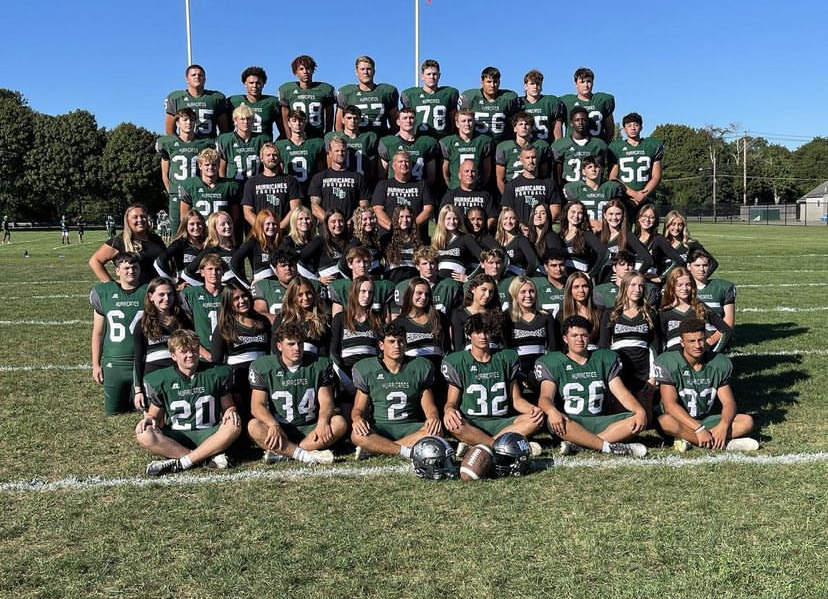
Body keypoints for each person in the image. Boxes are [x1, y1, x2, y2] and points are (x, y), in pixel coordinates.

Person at [536, 315, 648, 457]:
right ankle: (608, 447)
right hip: (572, 422)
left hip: (600, 421)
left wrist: (639, 410)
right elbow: (545, 397)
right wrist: (552, 411)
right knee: (553, 421)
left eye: (583, 335)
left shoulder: (602, 359)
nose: (579, 339)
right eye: (574, 335)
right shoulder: (554, 362)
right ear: (565, 339)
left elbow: (622, 394)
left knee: (635, 418)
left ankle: (581, 445)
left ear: (589, 337)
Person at [136, 329, 241, 476]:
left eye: (194, 350)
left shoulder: (216, 372)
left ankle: (182, 462)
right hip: (177, 436)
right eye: (184, 351)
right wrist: (149, 419)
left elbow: (228, 405)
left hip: (209, 433)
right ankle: (203, 457)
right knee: (143, 434)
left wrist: (231, 411)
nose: (190, 355)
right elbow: (155, 414)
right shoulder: (162, 379)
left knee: (234, 425)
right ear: (173, 355)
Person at [248, 323, 347, 464]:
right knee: (254, 426)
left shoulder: (319, 363)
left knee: (339, 423)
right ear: (279, 346)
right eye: (291, 344)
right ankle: (305, 455)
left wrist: (323, 422)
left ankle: (287, 453)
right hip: (280, 428)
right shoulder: (263, 366)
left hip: (311, 428)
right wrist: (273, 425)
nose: (297, 348)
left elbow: (326, 401)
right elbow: (257, 406)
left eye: (300, 343)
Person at [442, 313, 544, 448]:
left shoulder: (505, 358)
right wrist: (448, 410)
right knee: (452, 424)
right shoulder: (459, 362)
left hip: (502, 422)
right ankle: (503, 446)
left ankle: (480, 445)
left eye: (486, 332)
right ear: (468, 335)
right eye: (478, 332)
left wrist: (532, 409)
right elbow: (451, 402)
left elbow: (517, 400)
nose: (483, 337)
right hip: (472, 423)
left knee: (536, 419)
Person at [654, 319, 758, 452]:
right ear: (682, 343)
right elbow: (670, 405)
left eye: (700, 340)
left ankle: (692, 440)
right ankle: (724, 443)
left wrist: (724, 425)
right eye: (691, 341)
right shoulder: (669, 362)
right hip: (680, 421)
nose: (697, 345)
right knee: (664, 422)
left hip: (706, 419)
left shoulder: (718, 363)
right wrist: (699, 428)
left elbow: (728, 402)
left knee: (747, 421)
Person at [351, 323, 443, 459]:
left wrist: (433, 417)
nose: (396, 346)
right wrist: (357, 419)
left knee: (437, 431)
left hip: (410, 427)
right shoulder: (367, 368)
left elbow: (429, 406)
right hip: (381, 428)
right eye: (391, 341)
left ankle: (378, 449)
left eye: (400, 341)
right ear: (381, 345)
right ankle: (405, 451)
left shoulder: (419, 366)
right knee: (356, 435)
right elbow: (358, 408)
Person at [90, 252, 148, 414]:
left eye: (135, 267)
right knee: (113, 411)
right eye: (126, 268)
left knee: (146, 408)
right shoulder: (104, 293)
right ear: (117, 271)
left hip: (144, 360)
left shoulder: (149, 291)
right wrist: (95, 365)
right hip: (115, 362)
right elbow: (98, 332)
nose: (131, 271)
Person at [598, 272, 661, 416]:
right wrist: (608, 373)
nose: (637, 289)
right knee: (620, 415)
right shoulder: (611, 313)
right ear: (624, 286)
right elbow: (603, 345)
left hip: (643, 370)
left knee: (645, 416)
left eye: (641, 286)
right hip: (619, 369)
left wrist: (653, 377)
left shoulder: (650, 314)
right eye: (633, 285)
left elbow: (655, 346)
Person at [210, 282, 271, 421]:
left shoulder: (263, 322)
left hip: (262, 377)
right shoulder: (223, 327)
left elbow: (271, 354)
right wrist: (229, 390)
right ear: (228, 303)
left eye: (244, 296)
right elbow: (216, 364)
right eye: (236, 298)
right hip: (238, 381)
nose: (242, 301)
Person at [133, 277, 193, 407]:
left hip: (178, 373)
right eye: (161, 294)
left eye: (170, 294)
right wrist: (138, 391)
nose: (166, 298)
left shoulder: (183, 320)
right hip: (153, 375)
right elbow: (138, 358)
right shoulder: (142, 324)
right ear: (150, 296)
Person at [502, 276, 559, 401]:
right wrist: (519, 375)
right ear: (514, 294)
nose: (528, 295)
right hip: (516, 374)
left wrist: (539, 374)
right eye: (523, 292)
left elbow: (553, 350)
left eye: (531, 291)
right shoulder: (507, 318)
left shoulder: (546, 317)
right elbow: (506, 352)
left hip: (542, 373)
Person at [330, 274, 383, 394]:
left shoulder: (377, 319)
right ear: (354, 292)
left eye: (370, 292)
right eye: (363, 291)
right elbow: (333, 352)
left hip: (371, 376)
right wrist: (346, 381)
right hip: (346, 376)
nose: (367, 296)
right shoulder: (340, 318)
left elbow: (381, 352)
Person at [659, 267, 731, 354]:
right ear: (672, 286)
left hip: (698, 360)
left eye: (688, 284)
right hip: (674, 360)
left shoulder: (700, 307)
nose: (684, 288)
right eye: (680, 285)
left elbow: (726, 330)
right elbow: (659, 341)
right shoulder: (664, 312)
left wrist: (713, 351)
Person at [89, 204, 165, 285]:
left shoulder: (155, 238)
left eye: (143, 216)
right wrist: (111, 284)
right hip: (136, 293)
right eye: (135, 217)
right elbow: (95, 261)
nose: (140, 219)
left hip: (158, 290)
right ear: (127, 220)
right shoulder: (119, 241)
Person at [608, 112, 664, 216]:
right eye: (629, 125)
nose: (633, 128)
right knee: (624, 230)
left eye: (636, 125)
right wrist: (633, 194)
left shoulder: (652, 145)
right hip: (624, 198)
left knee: (647, 230)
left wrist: (642, 195)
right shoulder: (616, 148)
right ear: (624, 129)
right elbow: (612, 177)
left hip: (646, 198)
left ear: (641, 127)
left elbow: (656, 176)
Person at [371, 150, 434, 238]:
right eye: (400, 161)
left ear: (411, 165)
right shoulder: (383, 185)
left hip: (416, 237)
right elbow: (377, 210)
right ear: (393, 165)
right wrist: (393, 228)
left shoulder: (422, 185)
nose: (404, 164)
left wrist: (411, 227)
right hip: (389, 237)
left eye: (407, 161)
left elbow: (428, 210)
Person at [308, 135, 370, 223]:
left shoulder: (358, 177)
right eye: (336, 151)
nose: (340, 153)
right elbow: (314, 207)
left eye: (343, 151)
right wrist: (330, 223)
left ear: (347, 152)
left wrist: (351, 222)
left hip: (351, 229)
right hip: (326, 231)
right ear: (329, 153)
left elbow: (364, 206)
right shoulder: (319, 177)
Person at [241, 143, 302, 231]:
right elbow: (247, 212)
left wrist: (279, 228)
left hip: (284, 232)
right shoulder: (251, 182)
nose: (272, 157)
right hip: (260, 233)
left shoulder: (290, 180)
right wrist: (262, 229)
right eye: (268, 155)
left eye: (275, 155)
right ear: (261, 158)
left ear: (279, 158)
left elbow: (295, 208)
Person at [395, 277, 451, 374]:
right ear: (410, 294)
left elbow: (447, 347)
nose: (424, 297)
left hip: (437, 373)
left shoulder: (439, 318)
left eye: (427, 294)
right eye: (419, 293)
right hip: (412, 373)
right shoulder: (398, 323)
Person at [178, 148, 242, 230]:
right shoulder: (190, 185)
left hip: (221, 233)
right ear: (200, 166)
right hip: (200, 233)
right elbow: (185, 217)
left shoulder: (230, 186)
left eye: (214, 164)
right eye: (207, 164)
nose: (211, 167)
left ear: (219, 165)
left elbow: (235, 217)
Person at [335, 55, 399, 137]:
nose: (365, 72)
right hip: (356, 142)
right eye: (362, 69)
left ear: (374, 71)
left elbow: (396, 123)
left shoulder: (386, 92)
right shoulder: (347, 93)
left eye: (369, 69)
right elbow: (339, 125)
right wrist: (348, 141)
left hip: (380, 141)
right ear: (357, 72)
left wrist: (385, 140)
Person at [392, 246, 462, 317]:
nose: (429, 267)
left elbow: (457, 316)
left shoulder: (449, 285)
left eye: (432, 263)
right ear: (417, 266)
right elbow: (397, 316)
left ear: (437, 264)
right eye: (424, 263)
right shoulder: (405, 286)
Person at [501, 145, 561, 228]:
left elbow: (555, 210)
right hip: (520, 232)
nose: (531, 161)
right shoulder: (511, 185)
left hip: (542, 231)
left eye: (534, 157)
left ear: (538, 159)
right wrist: (520, 227)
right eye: (527, 158)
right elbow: (506, 211)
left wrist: (540, 227)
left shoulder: (549, 184)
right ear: (521, 160)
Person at [278, 55, 336, 139]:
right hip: (297, 137)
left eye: (308, 68)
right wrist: (290, 139)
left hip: (317, 136)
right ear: (295, 72)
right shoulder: (287, 90)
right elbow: (285, 120)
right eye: (301, 69)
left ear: (313, 70)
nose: (305, 72)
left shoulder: (325, 89)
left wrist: (327, 137)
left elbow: (330, 119)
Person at [180, 253, 226, 359]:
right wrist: (203, 352)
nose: (214, 273)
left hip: (227, 352)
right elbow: (184, 328)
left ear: (223, 272)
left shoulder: (231, 293)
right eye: (210, 269)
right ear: (202, 272)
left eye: (217, 269)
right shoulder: (191, 294)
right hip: (201, 353)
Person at [459, 66, 520, 145]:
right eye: (489, 81)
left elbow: (514, 123)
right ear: (482, 82)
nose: (492, 85)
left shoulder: (508, 98)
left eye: (495, 81)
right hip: (478, 144)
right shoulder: (470, 97)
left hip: (501, 143)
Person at [550, 106, 609, 188]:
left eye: (583, 120)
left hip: (591, 190)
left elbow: (602, 169)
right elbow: (557, 172)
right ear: (571, 123)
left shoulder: (598, 145)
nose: (580, 122)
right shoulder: (560, 145)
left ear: (588, 121)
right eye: (577, 120)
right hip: (569, 191)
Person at [164, 64, 228, 139]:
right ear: (187, 79)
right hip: (186, 146)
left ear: (205, 79)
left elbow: (224, 130)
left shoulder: (216, 98)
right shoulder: (176, 98)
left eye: (200, 75)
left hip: (208, 145)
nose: (197, 77)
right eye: (193, 75)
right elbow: (170, 131)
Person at [596, 199, 653, 282]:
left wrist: (631, 277)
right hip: (601, 284)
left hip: (621, 285)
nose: (614, 217)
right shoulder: (598, 236)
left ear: (623, 216)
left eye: (618, 214)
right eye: (611, 214)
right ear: (605, 215)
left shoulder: (628, 236)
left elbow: (648, 260)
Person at [377, 107, 438, 185]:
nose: (408, 121)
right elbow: (382, 175)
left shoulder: (426, 143)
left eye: (411, 118)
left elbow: (431, 177)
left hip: (419, 189)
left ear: (415, 120)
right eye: (405, 118)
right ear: (398, 122)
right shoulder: (389, 143)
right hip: (395, 190)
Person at [272, 276, 331, 357]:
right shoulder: (283, 318)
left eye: (308, 293)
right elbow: (275, 347)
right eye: (300, 294)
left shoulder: (322, 318)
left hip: (314, 362)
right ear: (292, 297)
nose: (305, 298)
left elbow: (325, 348)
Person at [400, 58, 459, 139]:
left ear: (439, 76)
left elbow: (454, 120)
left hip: (442, 139)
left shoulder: (448, 93)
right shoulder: (411, 95)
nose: (432, 77)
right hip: (419, 140)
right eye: (428, 74)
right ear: (422, 76)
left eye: (434, 74)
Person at [563, 155, 624, 231]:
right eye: (589, 167)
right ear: (583, 171)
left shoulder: (611, 187)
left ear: (601, 169)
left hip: (606, 229)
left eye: (596, 166)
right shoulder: (575, 188)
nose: (593, 169)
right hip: (582, 229)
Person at [495, 112, 550, 194]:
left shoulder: (541, 146)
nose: (524, 127)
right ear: (515, 128)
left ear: (531, 128)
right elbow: (500, 179)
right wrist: (506, 199)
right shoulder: (504, 147)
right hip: (512, 190)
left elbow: (544, 174)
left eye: (527, 124)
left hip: (535, 189)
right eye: (520, 124)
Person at [275, 109, 326, 196]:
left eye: (301, 120)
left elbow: (321, 171)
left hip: (310, 189)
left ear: (305, 123)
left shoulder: (315, 144)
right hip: (289, 190)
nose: (298, 124)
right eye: (294, 121)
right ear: (289, 123)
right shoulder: (280, 145)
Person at [440, 109, 494, 190]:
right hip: (455, 189)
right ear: (457, 124)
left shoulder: (483, 141)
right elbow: (445, 173)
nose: (467, 124)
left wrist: (479, 185)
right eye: (463, 121)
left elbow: (487, 172)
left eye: (470, 120)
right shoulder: (448, 142)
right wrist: (452, 186)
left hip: (476, 189)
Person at [216, 104, 271, 182]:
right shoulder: (226, 140)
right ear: (235, 120)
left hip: (257, 184)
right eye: (242, 119)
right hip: (234, 184)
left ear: (252, 120)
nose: (245, 122)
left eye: (248, 119)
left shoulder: (262, 139)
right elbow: (221, 167)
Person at [559, 67, 615, 143]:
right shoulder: (566, 102)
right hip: (572, 149)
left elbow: (610, 129)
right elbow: (557, 126)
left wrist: (604, 146)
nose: (586, 85)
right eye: (582, 82)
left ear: (593, 83)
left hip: (596, 147)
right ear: (576, 84)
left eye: (589, 81)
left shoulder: (603, 100)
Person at [325, 105, 378, 184]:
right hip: (342, 181)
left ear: (360, 120)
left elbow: (372, 164)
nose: (352, 121)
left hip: (362, 181)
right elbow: (329, 163)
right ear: (343, 120)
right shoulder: (332, 137)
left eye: (355, 118)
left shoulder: (369, 137)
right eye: (349, 118)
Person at [180, 211, 236, 286]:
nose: (228, 226)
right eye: (223, 224)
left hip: (238, 294)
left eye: (229, 223)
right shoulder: (209, 250)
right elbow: (186, 274)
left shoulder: (238, 248)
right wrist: (204, 287)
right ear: (214, 227)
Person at [431, 204, 484, 282]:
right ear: (442, 220)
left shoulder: (466, 238)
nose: (452, 222)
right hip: (439, 283)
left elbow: (484, 260)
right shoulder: (437, 240)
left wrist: (469, 278)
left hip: (457, 285)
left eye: (455, 218)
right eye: (448, 219)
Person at [687, 247, 736, 331]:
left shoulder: (723, 287)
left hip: (716, 335)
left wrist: (711, 341)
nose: (701, 269)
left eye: (705, 265)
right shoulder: (682, 288)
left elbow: (728, 322)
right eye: (697, 265)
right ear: (688, 266)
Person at [634, 204, 685, 283]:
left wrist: (662, 278)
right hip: (632, 284)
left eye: (652, 217)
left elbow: (679, 261)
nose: (647, 220)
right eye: (644, 216)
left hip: (649, 285)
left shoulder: (659, 239)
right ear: (638, 218)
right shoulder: (633, 239)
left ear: (655, 221)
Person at [451, 273, 503, 352]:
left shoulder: (497, 314)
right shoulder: (459, 315)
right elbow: (458, 347)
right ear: (473, 289)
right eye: (484, 290)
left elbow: (503, 343)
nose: (487, 295)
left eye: (491, 291)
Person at [439, 160, 497, 230]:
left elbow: (492, 218)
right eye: (466, 171)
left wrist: (480, 230)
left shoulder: (486, 195)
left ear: (477, 175)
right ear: (459, 175)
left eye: (473, 171)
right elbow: (442, 218)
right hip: (456, 236)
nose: (470, 174)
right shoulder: (450, 196)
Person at [230, 208, 281, 286]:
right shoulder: (253, 243)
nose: (271, 227)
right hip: (261, 287)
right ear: (260, 225)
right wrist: (247, 285)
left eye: (274, 224)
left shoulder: (280, 243)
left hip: (278, 286)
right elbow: (234, 262)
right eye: (268, 224)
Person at [227, 65, 280, 139]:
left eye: (258, 83)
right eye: (251, 83)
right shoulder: (234, 101)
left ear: (263, 84)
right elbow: (227, 130)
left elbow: (283, 130)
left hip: (264, 146)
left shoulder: (272, 102)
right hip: (240, 146)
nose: (254, 86)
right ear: (245, 84)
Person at [299, 208, 349, 285]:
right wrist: (316, 280)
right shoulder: (319, 241)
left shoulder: (350, 241)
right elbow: (299, 263)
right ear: (326, 223)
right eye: (333, 221)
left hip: (346, 287)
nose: (338, 224)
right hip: (327, 290)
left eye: (341, 221)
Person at [662, 210, 719, 275]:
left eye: (680, 225)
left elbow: (713, 263)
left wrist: (699, 279)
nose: (676, 228)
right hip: (665, 283)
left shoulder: (691, 244)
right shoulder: (661, 243)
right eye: (673, 224)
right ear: (667, 225)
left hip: (684, 283)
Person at [559, 200, 605, 277]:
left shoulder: (586, 234)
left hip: (579, 280)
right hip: (563, 279)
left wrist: (591, 274)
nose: (576, 216)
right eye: (573, 212)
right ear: (566, 212)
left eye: (580, 213)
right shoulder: (560, 235)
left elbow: (604, 253)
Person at [558, 272, 603, 349]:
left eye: (585, 286)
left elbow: (603, 341)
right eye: (576, 287)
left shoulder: (599, 311)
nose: (581, 290)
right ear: (569, 290)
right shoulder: (561, 315)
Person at [519, 69, 565, 142]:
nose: (535, 86)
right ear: (525, 86)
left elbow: (557, 126)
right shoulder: (518, 103)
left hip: (546, 147)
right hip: (525, 149)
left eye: (538, 84)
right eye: (532, 84)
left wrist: (557, 147)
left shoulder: (550, 102)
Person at [252, 249, 298, 319]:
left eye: (291, 265)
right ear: (275, 269)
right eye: (283, 265)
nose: (288, 268)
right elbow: (260, 312)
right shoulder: (264, 286)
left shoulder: (310, 285)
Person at [495, 207, 538, 279]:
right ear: (500, 221)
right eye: (505, 218)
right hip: (501, 280)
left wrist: (525, 278)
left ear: (516, 221)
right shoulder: (497, 241)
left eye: (512, 218)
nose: (508, 222)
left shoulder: (521, 240)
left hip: (517, 280)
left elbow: (533, 262)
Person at [383, 205, 422, 283]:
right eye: (401, 216)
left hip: (412, 283)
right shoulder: (386, 239)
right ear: (396, 218)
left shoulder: (418, 240)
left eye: (408, 217)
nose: (405, 220)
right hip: (393, 282)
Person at [532, 248, 568, 317]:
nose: (558, 269)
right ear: (546, 267)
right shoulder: (536, 286)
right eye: (554, 265)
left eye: (561, 265)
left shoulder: (573, 285)